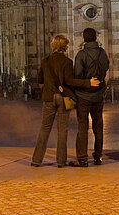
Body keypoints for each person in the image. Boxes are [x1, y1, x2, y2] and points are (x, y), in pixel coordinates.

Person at [31, 34, 99, 168]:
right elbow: (69, 81)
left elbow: (40, 80)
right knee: (62, 130)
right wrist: (88, 83)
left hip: (49, 97)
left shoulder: (46, 61)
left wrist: (50, 81)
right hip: (63, 98)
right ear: (65, 46)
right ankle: (61, 161)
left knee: (45, 129)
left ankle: (36, 160)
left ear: (53, 46)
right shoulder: (67, 62)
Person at [72, 28, 110, 167]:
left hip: (83, 96)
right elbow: (106, 68)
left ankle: (82, 159)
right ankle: (98, 156)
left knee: (83, 127)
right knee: (98, 125)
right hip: (99, 95)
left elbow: (77, 75)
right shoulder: (102, 53)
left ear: (84, 38)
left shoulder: (81, 55)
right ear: (96, 37)